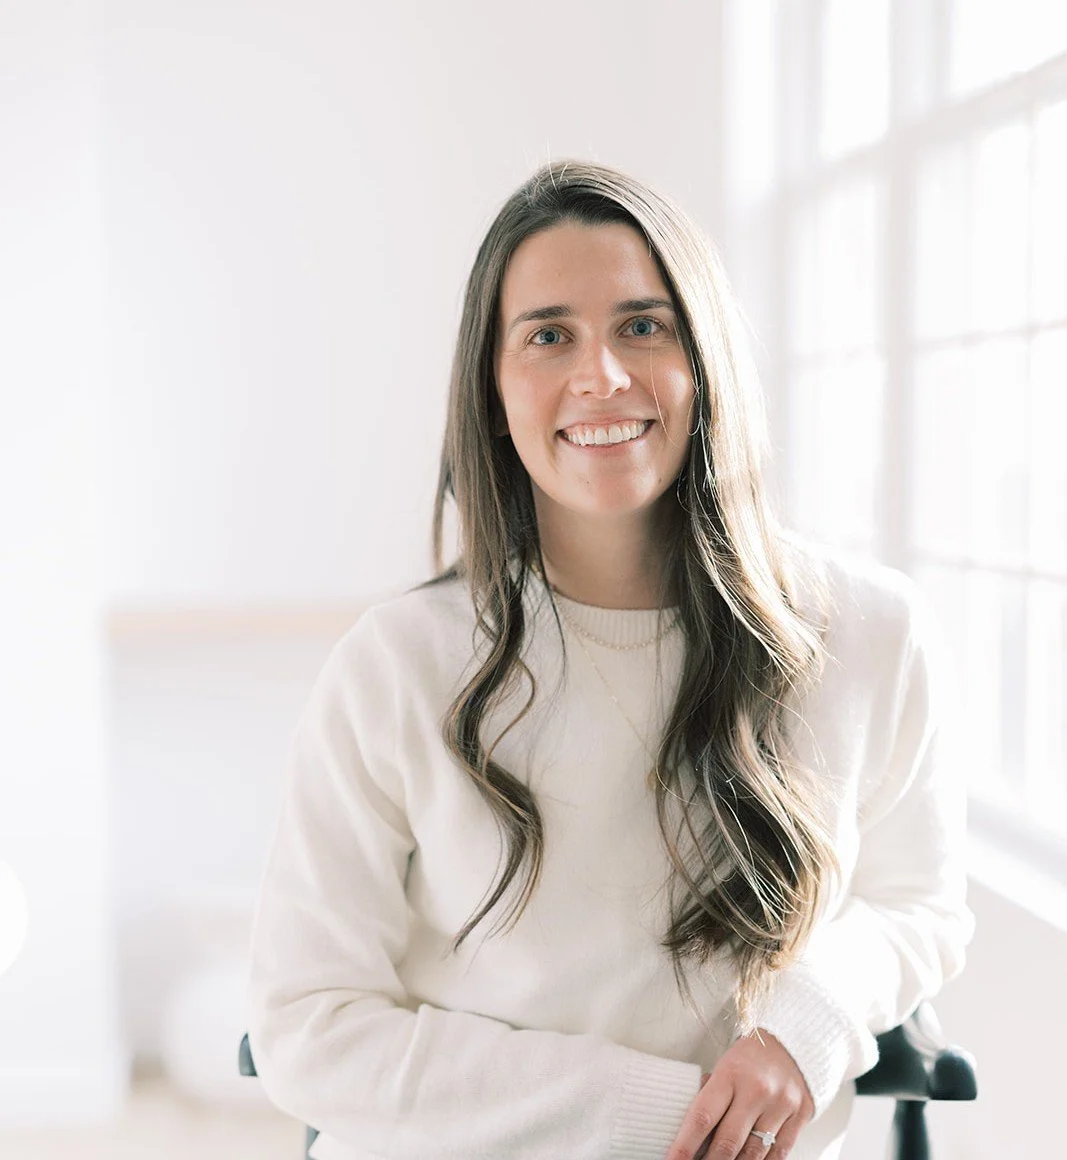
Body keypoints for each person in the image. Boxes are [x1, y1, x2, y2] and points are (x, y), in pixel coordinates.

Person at [245, 160, 973, 1160]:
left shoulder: (870, 632)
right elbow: (307, 1025)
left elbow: (917, 902)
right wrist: (645, 1111)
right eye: (548, 335)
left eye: (642, 325)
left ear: (703, 361)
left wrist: (805, 1027)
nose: (601, 375)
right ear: (493, 391)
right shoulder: (397, 665)